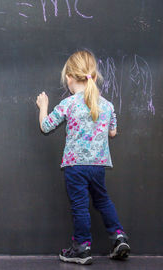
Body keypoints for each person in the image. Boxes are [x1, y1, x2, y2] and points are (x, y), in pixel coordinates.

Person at [36, 50, 130, 265]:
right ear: (94, 77)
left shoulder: (68, 104)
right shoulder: (106, 105)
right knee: (103, 200)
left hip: (75, 165)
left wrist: (43, 107)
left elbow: (45, 126)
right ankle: (119, 237)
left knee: (79, 206)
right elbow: (113, 132)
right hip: (98, 165)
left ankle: (82, 248)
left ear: (69, 77)